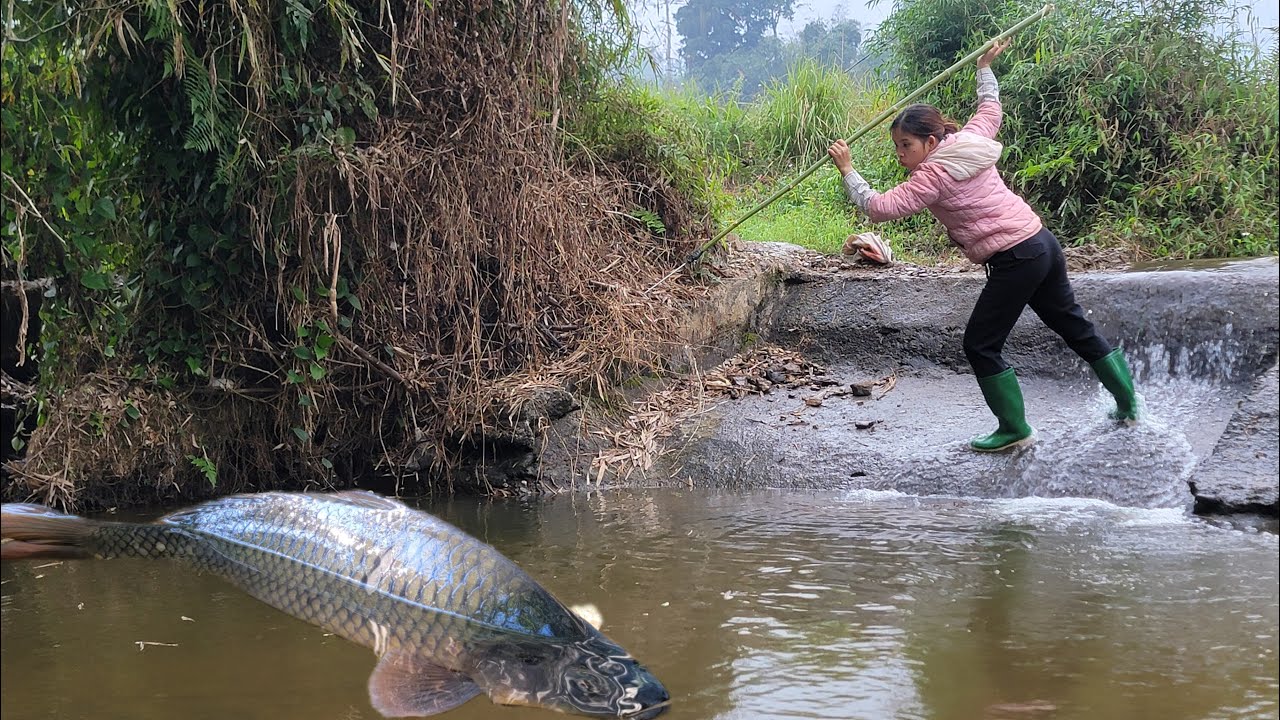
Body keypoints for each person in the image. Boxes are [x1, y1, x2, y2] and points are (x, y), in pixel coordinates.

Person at [826, 39, 1139, 452]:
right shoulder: (969, 141)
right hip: (1042, 244)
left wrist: (848, 170)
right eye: (897, 146)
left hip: (1016, 257)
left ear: (931, 143)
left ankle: (1015, 430)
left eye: (907, 145)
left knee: (980, 344)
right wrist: (984, 69)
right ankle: (1129, 405)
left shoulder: (932, 176)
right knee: (1073, 325)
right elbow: (990, 110)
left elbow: (880, 208)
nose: (902, 154)